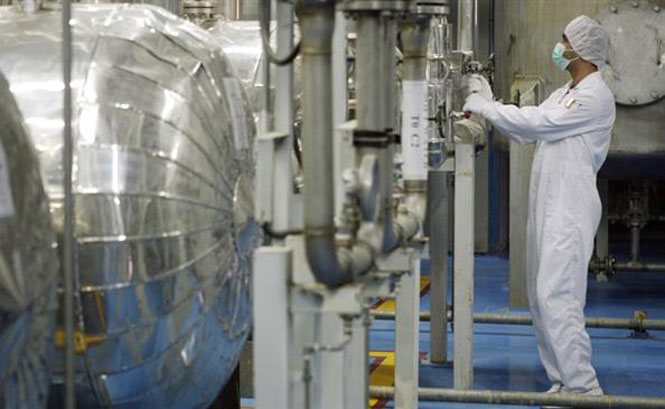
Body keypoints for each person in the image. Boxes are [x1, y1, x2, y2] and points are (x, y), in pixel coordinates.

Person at [463, 15, 615, 401]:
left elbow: (538, 123)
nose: (559, 47)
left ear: (582, 50)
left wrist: (487, 108)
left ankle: (585, 389)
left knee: (558, 297)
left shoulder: (594, 96)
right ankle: (562, 381)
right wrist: (491, 103)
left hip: (569, 209)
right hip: (547, 206)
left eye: (565, 40)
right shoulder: (565, 91)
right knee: (540, 297)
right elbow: (523, 130)